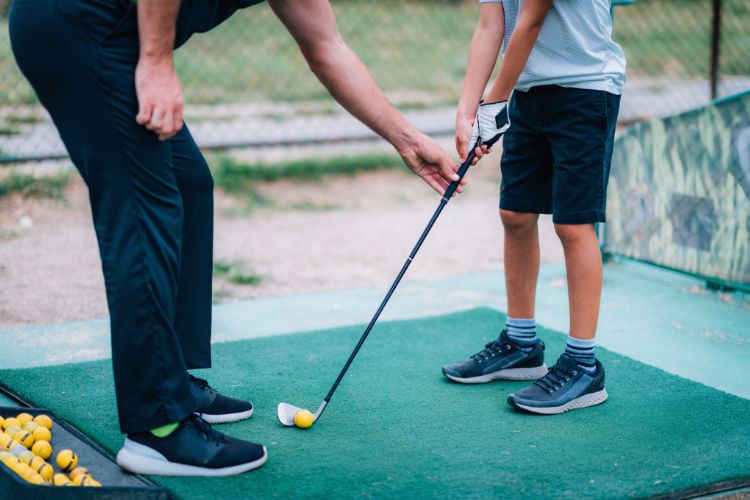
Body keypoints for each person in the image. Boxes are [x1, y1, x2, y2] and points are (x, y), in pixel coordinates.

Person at [9, 0, 465, 476]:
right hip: (80, 29)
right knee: (144, 211)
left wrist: (407, 140)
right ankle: (158, 430)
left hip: (113, 37)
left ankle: (173, 383)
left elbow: (327, 46)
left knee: (187, 185)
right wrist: (158, 62)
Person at [442, 0, 626, 414]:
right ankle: (521, 344)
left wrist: (494, 101)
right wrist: (467, 110)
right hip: (528, 92)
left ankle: (583, 365)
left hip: (585, 89)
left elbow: (531, 19)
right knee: (516, 214)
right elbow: (493, 23)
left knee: (573, 225)